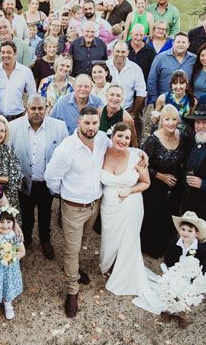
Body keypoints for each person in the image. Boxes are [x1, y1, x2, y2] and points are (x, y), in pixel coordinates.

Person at [44, 107, 111, 318]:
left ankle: (75, 269)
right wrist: (64, 195)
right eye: (87, 123)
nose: (91, 127)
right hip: (73, 207)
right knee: (71, 250)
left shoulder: (102, 139)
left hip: (95, 204)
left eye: (94, 123)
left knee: (84, 241)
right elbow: (51, 177)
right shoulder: (67, 149)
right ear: (78, 122)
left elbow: (120, 148)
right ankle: (72, 290)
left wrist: (141, 155)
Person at [9, 95, 69, 259]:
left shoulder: (59, 127)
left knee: (45, 212)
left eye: (40, 108)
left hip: (46, 182)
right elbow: (9, 155)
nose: (36, 112)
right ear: (26, 109)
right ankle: (26, 237)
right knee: (26, 212)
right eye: (33, 108)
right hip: (24, 181)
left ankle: (45, 240)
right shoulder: (12, 127)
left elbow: (65, 155)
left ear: (46, 108)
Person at [99, 123, 151, 297]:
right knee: (109, 238)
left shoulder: (136, 157)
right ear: (112, 136)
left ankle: (121, 273)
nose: (122, 140)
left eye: (127, 138)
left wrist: (130, 190)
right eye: (119, 136)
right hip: (108, 206)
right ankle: (107, 265)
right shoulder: (102, 152)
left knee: (128, 240)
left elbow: (146, 183)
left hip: (131, 205)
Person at [141, 105, 190, 257]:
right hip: (155, 184)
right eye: (167, 119)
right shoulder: (153, 140)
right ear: (161, 120)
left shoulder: (183, 137)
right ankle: (147, 246)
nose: (170, 123)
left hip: (174, 185)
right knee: (153, 215)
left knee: (169, 216)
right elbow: (142, 166)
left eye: (174, 119)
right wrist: (161, 176)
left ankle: (163, 247)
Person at [0, 206, 25, 320]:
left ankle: (8, 304)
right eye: (1, 222)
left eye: (8, 222)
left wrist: (12, 256)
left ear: (13, 223)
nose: (5, 225)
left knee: (8, 285)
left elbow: (22, 251)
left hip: (9, 269)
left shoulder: (14, 236)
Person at [0, 40, 36, 121]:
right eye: (3, 52)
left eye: (9, 52)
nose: (5, 55)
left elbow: (32, 95)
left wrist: (28, 114)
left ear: (15, 54)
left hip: (18, 117)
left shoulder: (26, 72)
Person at [107, 40, 147, 136]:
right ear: (113, 51)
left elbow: (141, 93)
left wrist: (133, 112)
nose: (120, 54)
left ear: (128, 53)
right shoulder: (106, 66)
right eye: (117, 51)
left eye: (123, 52)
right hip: (107, 110)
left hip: (126, 110)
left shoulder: (135, 69)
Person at [147, 32, 196, 105]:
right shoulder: (160, 58)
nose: (180, 44)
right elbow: (152, 79)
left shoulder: (194, 59)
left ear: (188, 44)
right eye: (178, 42)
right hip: (164, 102)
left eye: (183, 42)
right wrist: (155, 100)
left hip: (186, 103)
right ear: (173, 43)